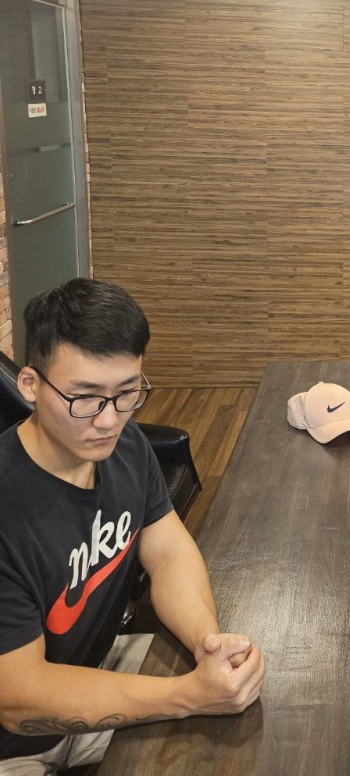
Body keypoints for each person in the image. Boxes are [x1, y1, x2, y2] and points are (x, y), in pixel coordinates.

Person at [0, 278, 265, 772]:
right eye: (85, 397)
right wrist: (187, 695)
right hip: (15, 743)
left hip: (101, 670)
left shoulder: (125, 447)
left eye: (126, 393)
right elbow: (19, 698)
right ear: (30, 384)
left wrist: (207, 644)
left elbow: (168, 553)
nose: (108, 420)